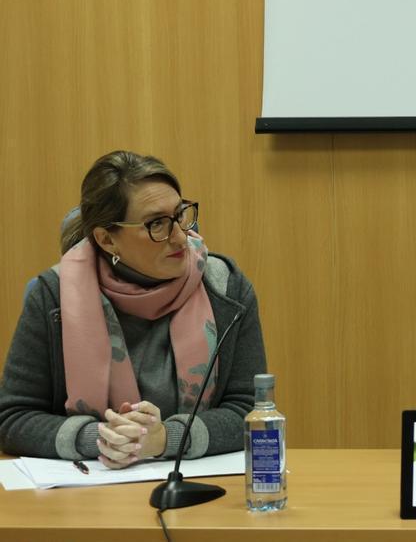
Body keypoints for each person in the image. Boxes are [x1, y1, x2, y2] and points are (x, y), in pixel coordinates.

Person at [0, 151, 267, 468]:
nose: (181, 236)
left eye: (180, 215)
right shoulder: (54, 296)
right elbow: (13, 418)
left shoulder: (226, 288)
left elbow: (253, 410)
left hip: (197, 490)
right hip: (88, 495)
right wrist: (102, 439)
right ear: (107, 240)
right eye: (157, 224)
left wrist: (165, 438)